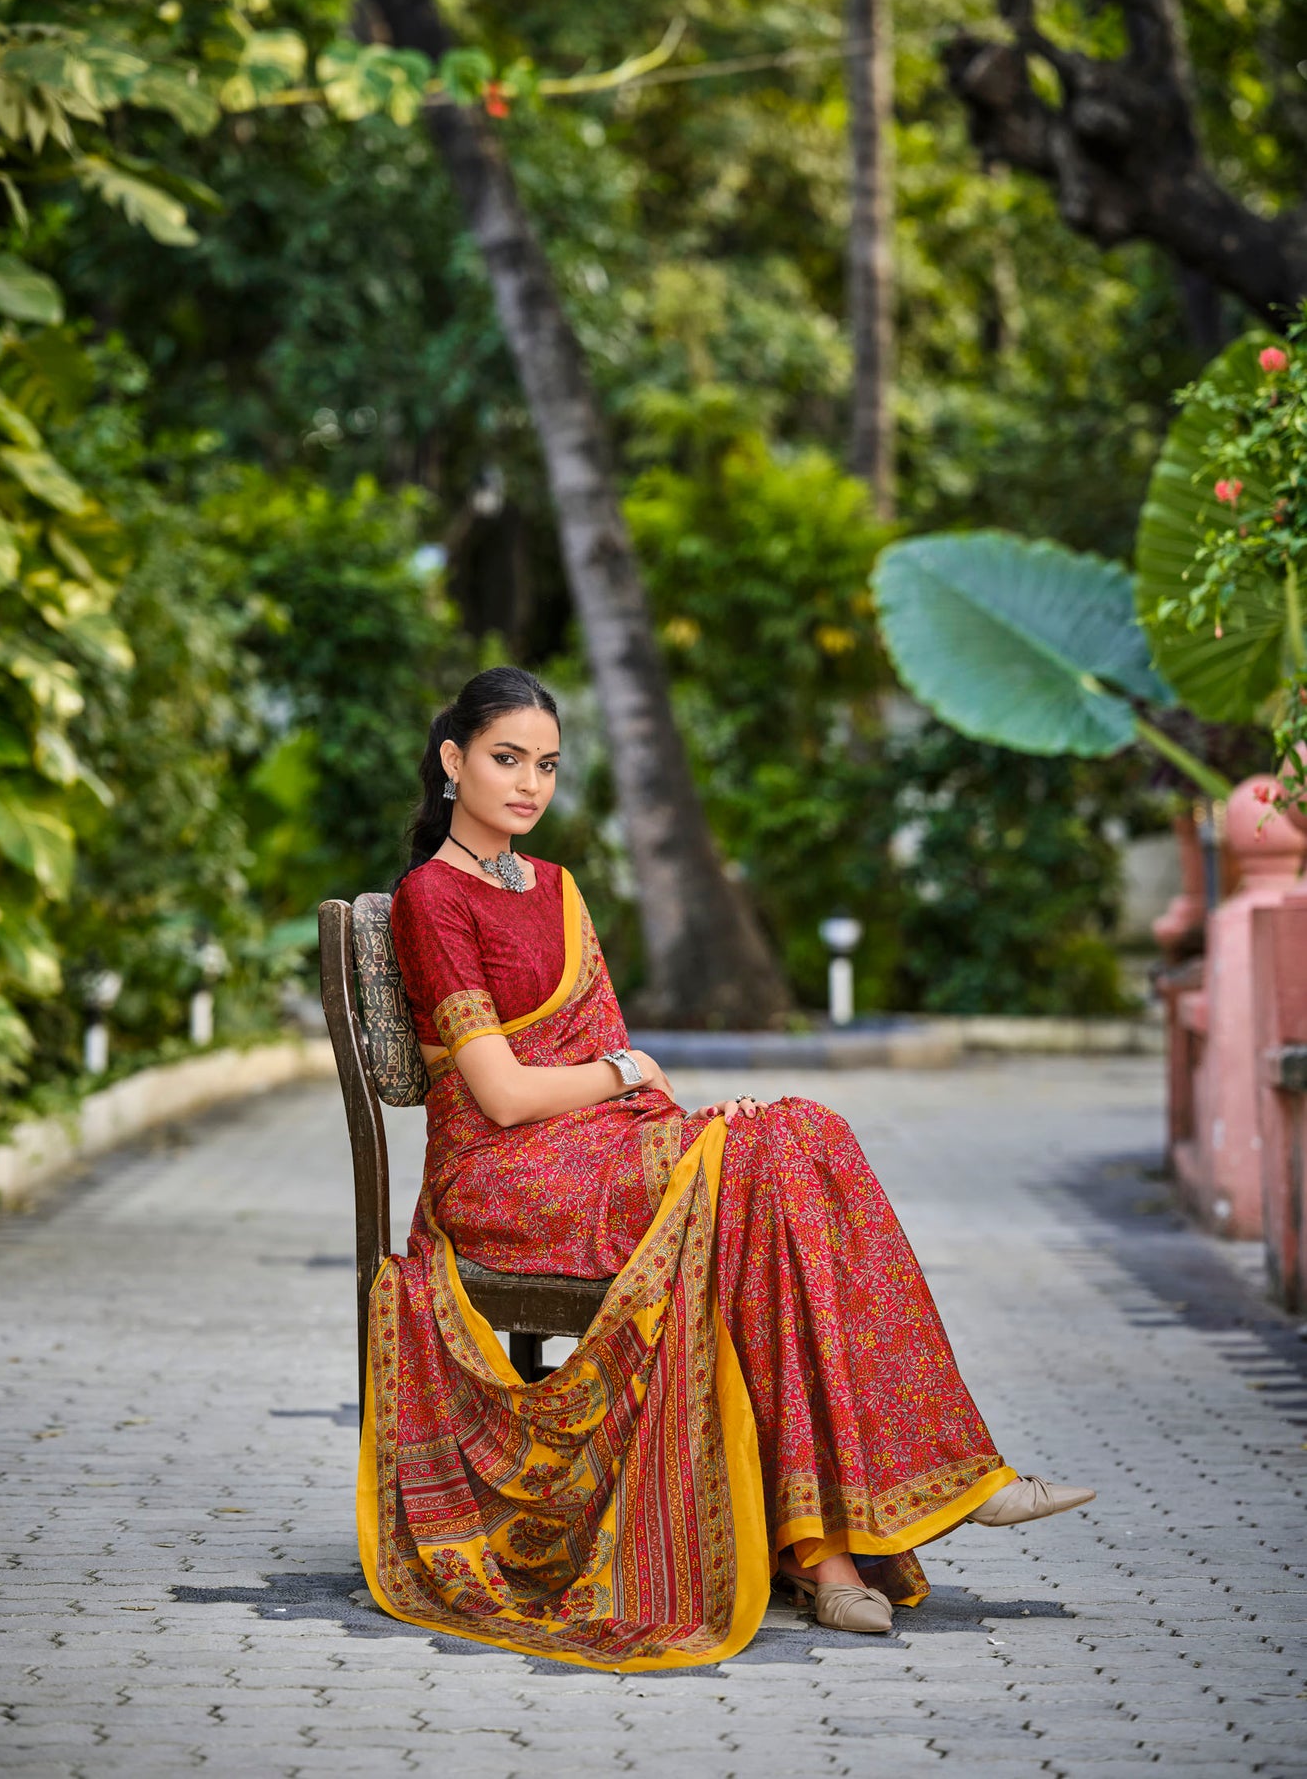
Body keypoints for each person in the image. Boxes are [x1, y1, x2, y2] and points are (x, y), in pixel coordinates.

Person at [357, 665, 1093, 1672]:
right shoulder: (429, 900)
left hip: (599, 1151)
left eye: (546, 765)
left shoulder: (558, 890)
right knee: (762, 1157)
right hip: (501, 1180)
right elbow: (503, 1096)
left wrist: (674, 1112)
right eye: (505, 759)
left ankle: (839, 1547)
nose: (528, 783)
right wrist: (628, 1070)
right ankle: (908, 1499)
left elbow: (618, 1088)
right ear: (453, 761)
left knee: (797, 1136)